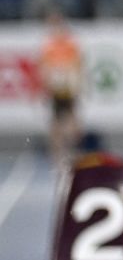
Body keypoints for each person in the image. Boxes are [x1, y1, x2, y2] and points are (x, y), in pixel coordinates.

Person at [39, 13, 84, 164]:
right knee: (56, 122)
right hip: (56, 87)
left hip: (68, 86)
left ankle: (71, 150)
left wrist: (77, 84)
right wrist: (46, 86)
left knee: (71, 120)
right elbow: (44, 67)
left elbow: (78, 65)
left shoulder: (69, 44)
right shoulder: (49, 46)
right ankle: (57, 153)